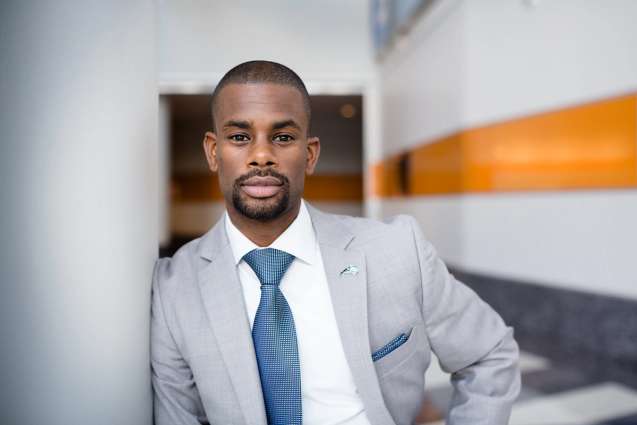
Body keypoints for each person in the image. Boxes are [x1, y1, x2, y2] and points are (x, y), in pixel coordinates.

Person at [151, 60, 521, 425]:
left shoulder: (396, 250)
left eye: (282, 137)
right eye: (239, 137)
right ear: (214, 152)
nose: (261, 155)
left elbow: (489, 353)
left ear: (309, 155)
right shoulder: (173, 289)